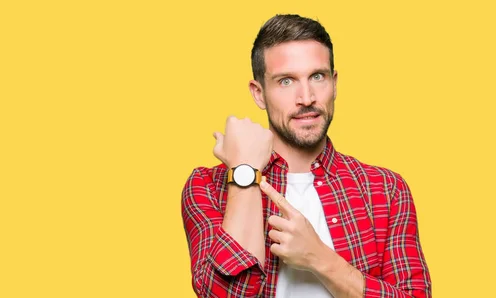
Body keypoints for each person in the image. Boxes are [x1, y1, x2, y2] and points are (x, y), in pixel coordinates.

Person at [180, 14, 432, 298]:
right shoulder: (208, 187)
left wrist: (319, 259)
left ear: (334, 83)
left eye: (317, 77)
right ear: (259, 94)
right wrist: (245, 173)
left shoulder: (385, 189)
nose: (307, 97)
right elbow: (224, 295)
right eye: (286, 81)